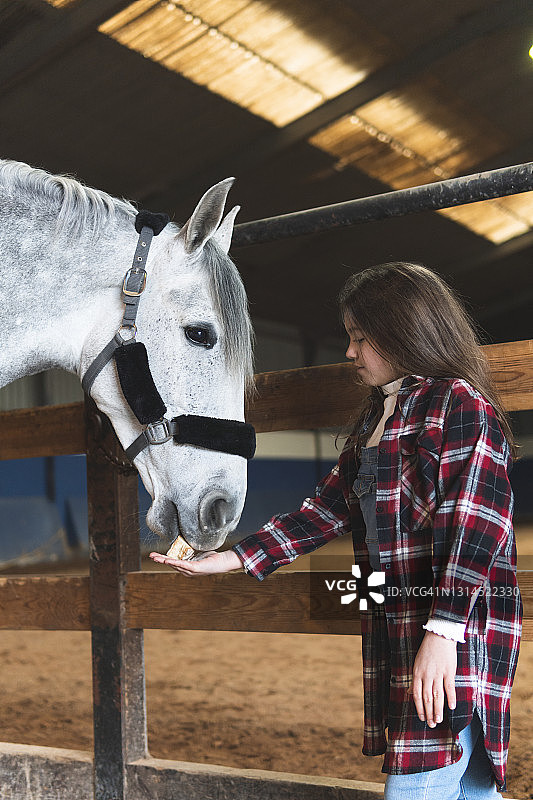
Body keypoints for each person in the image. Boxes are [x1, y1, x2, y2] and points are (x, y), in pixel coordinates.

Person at [150, 262, 522, 800]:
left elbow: (477, 524)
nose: (350, 352)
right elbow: (324, 510)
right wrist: (231, 557)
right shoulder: (379, 417)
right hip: (403, 624)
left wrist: (444, 633)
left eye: (360, 337)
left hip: (455, 627)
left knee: (421, 776)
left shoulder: (457, 403)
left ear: (404, 331)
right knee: (466, 785)